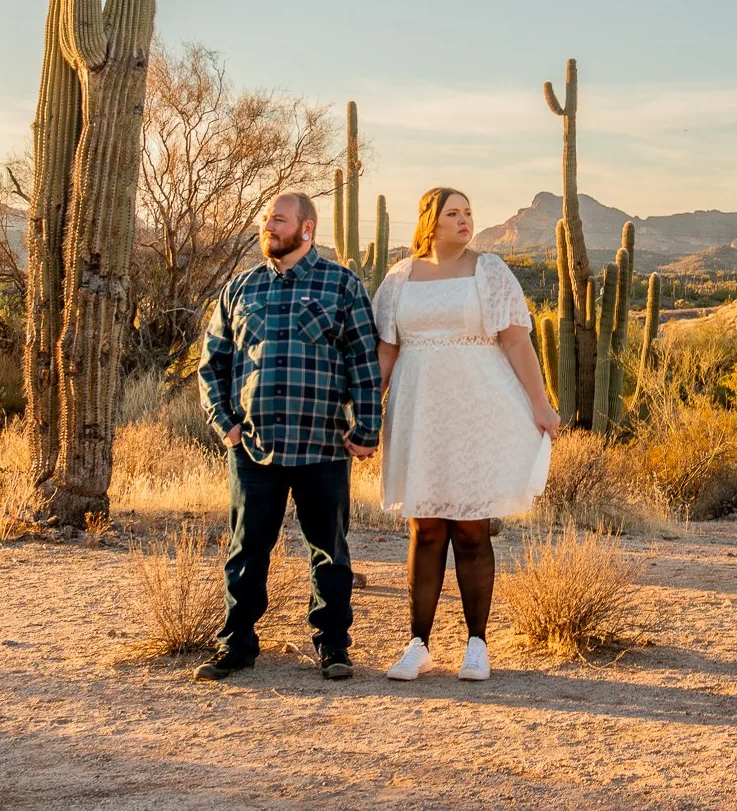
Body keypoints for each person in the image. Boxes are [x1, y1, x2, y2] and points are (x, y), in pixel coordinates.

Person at [372, 186, 560, 682]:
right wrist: (370, 409)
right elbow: (386, 353)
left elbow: (516, 341)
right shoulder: (399, 277)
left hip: (477, 407)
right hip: (419, 410)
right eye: (453, 213)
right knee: (426, 525)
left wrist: (541, 405)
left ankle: (477, 644)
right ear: (429, 222)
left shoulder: (490, 270)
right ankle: (418, 645)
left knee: (472, 526)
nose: (464, 220)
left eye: (469, 213)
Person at [194, 191, 382, 681]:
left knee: (329, 552)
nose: (267, 226)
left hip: (323, 445)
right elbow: (212, 364)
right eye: (264, 219)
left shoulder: (342, 285)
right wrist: (225, 424)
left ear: (306, 229)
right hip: (254, 446)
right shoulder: (240, 288)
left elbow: (364, 362)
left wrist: (367, 429)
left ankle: (333, 646)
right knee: (247, 549)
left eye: (277, 219)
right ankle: (236, 646)